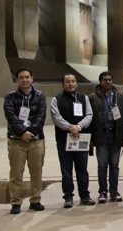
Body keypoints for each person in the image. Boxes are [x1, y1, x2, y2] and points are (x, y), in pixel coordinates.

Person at [4, 67, 46, 214]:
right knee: (16, 173)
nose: (25, 80)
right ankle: (16, 202)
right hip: (16, 140)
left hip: (36, 140)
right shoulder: (10, 97)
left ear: (32, 78)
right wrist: (22, 132)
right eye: (21, 77)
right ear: (17, 80)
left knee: (36, 172)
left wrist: (31, 132)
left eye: (27, 77)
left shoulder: (40, 96)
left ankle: (35, 200)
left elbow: (41, 116)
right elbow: (11, 117)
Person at [50, 74, 95, 208]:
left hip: (80, 139)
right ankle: (68, 197)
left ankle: (85, 195)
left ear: (76, 83)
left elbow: (89, 114)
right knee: (66, 170)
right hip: (64, 140)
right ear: (63, 84)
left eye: (73, 81)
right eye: (68, 82)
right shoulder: (56, 99)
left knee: (82, 169)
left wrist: (79, 126)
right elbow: (55, 117)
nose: (71, 84)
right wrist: (70, 127)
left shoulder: (83, 98)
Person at [89, 71, 123, 203]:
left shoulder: (121, 97)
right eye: (105, 80)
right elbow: (89, 119)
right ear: (100, 82)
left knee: (114, 165)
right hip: (101, 136)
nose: (107, 82)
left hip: (116, 136)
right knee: (102, 166)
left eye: (109, 80)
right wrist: (90, 139)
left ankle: (114, 191)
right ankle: (102, 191)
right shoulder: (92, 98)